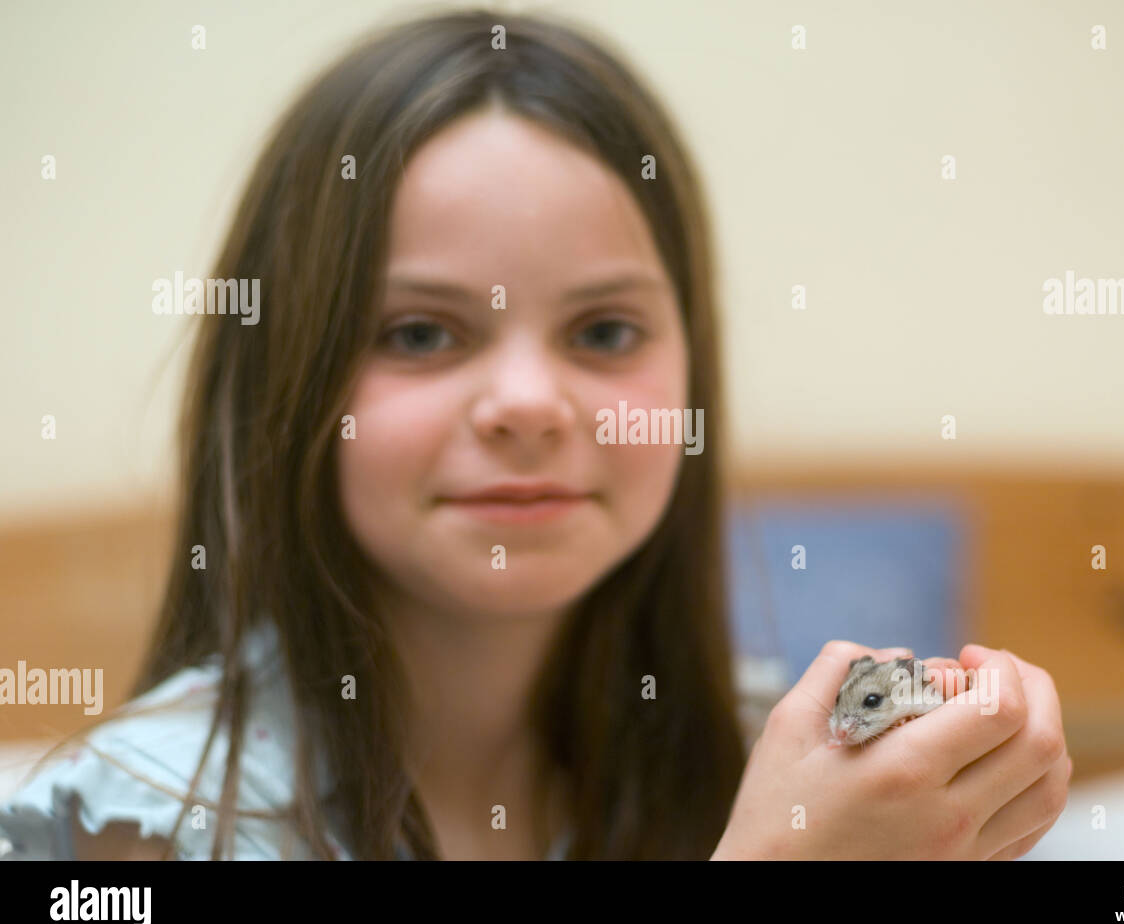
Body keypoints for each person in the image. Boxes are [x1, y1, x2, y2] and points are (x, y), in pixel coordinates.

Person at [0, 7, 1069, 861]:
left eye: (603, 330)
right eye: (421, 332)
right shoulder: (138, 825)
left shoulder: (787, 760)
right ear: (284, 380)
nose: (529, 401)